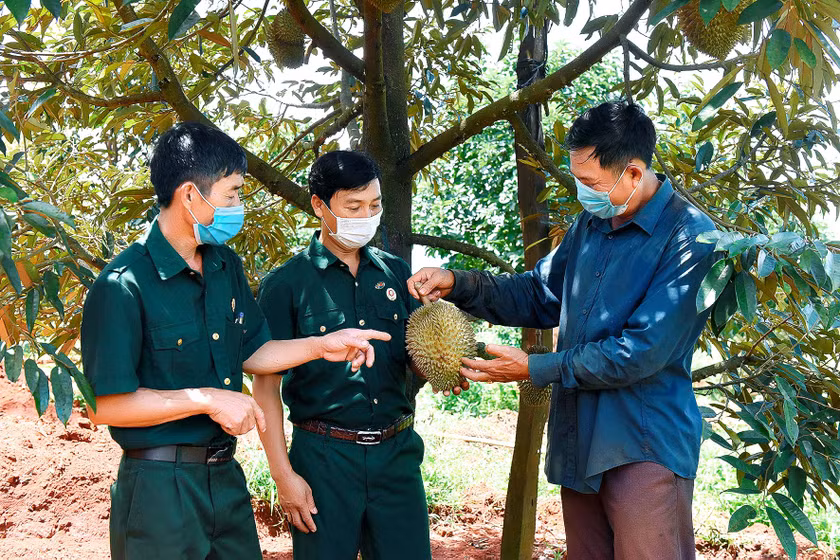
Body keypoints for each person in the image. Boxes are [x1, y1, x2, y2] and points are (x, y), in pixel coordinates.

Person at [408, 101, 717, 559]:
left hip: (642, 445)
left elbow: (641, 351)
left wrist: (535, 368)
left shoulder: (690, 238)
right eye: (577, 180)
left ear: (634, 173)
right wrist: (459, 283)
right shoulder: (591, 224)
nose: (582, 193)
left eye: (590, 183)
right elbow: (539, 294)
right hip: (580, 441)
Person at [80, 123, 390, 560]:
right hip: (158, 487)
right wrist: (206, 399)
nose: (239, 206)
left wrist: (322, 345)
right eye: (232, 194)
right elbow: (104, 406)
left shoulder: (224, 266)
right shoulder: (123, 285)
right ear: (191, 196)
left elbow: (255, 352)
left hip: (225, 477)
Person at [253, 150, 438, 560]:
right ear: (319, 205)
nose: (366, 217)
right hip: (323, 458)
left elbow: (415, 358)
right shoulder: (286, 284)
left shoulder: (396, 273)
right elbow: (264, 387)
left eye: (374, 205)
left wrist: (444, 365)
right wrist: (283, 477)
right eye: (353, 207)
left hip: (397, 454)